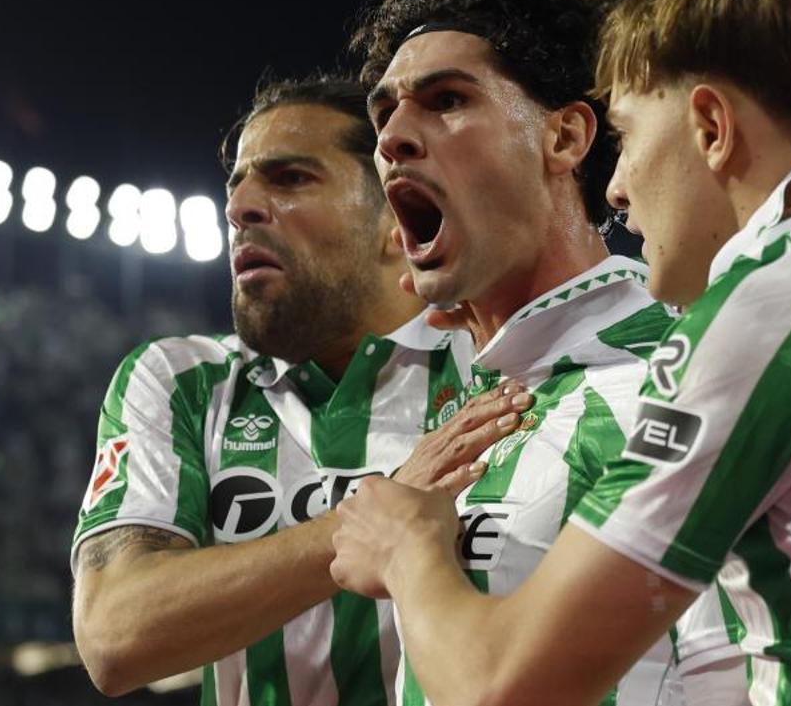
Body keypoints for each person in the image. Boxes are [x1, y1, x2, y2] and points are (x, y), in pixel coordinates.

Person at [338, 0, 791, 706]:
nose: (393, 139)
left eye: (447, 101)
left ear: (570, 136)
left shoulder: (692, 353)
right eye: (383, 116)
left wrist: (406, 548)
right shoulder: (426, 366)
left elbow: (515, 684)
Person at [70, 75, 533, 704]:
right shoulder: (182, 380)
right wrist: (382, 513)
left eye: (289, 179)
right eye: (236, 187)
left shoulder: (501, 364)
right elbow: (115, 635)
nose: (240, 209)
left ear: (395, 219)